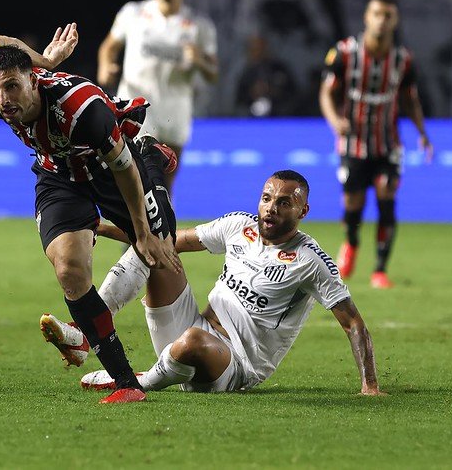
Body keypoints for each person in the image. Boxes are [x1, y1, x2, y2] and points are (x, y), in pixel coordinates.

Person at [0, 23, 185, 404]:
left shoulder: (81, 108)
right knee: (69, 271)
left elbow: (122, 167)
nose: (2, 98)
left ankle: (153, 157)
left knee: (161, 249)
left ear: (33, 81)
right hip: (58, 173)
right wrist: (46, 58)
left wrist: (141, 230)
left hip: (110, 169)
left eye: (12, 86)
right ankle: (127, 384)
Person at [76, 170, 385, 396]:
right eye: (266, 199)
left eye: (284, 203)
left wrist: (369, 385)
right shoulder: (239, 225)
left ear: (303, 211)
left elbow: (353, 323)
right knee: (159, 250)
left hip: (233, 365)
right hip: (187, 327)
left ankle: (134, 381)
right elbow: (169, 240)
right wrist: (103, 228)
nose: (271, 208)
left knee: (195, 340)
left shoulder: (310, 260)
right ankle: (89, 327)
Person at [319, 0, 433, 289]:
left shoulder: (402, 59)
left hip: (388, 143)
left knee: (386, 193)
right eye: (377, 14)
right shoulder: (345, 53)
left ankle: (380, 270)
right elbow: (326, 93)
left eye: (388, 15)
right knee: (353, 200)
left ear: (395, 21)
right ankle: (351, 243)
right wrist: (335, 122)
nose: (382, 20)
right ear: (366, 18)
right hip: (353, 142)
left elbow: (411, 100)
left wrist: (422, 133)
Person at [97, 0, 218, 193]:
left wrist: (200, 61)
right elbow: (109, 47)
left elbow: (213, 74)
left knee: (166, 179)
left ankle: (162, 226)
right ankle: (133, 226)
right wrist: (105, 66)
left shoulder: (200, 25)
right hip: (136, 104)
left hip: (175, 107)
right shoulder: (133, 13)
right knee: (130, 173)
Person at [234, 34, 299, 117]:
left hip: (279, 117)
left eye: (260, 49)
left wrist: (272, 90)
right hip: (251, 119)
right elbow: (238, 100)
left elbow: (293, 95)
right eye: (254, 50)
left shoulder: (279, 69)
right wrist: (252, 93)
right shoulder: (245, 72)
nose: (258, 53)